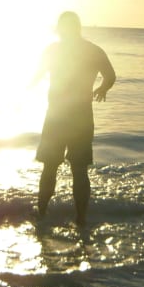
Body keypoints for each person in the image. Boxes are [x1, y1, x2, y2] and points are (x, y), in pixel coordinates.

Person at [34, 11, 116, 227]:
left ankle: (41, 214)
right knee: (79, 169)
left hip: (56, 115)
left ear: (61, 28)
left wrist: (19, 94)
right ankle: (81, 218)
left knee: (50, 166)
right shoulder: (93, 50)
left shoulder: (53, 50)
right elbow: (111, 75)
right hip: (81, 115)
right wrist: (102, 88)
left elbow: (36, 77)